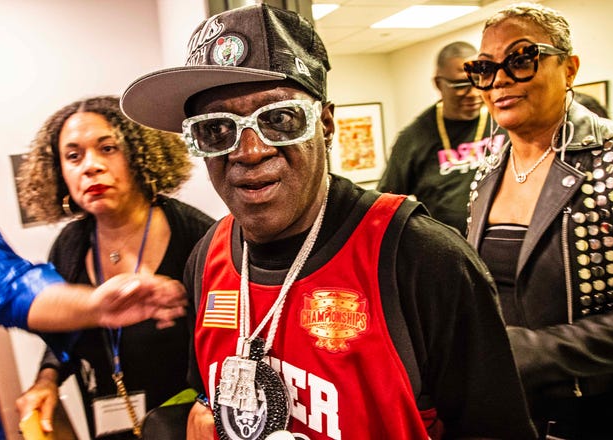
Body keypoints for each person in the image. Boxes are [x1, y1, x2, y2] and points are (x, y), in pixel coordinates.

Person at [121, 4, 536, 440]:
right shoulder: (208, 257)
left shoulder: (422, 260)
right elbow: (204, 392)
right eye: (216, 130)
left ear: (326, 125)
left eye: (279, 119)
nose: (248, 151)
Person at [463, 3, 613, 439]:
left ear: (570, 68)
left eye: (521, 59)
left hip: (594, 415)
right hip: (505, 410)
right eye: (484, 67)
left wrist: (530, 351)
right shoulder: (488, 167)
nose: (499, 79)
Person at [16, 96, 214, 439]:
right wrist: (45, 380)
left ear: (139, 154)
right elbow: (63, 335)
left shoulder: (198, 238)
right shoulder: (70, 245)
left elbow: (227, 346)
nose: (89, 166)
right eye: (73, 156)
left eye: (107, 148)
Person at [0, 229, 187, 440]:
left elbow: (10, 287)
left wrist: (94, 306)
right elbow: (63, 336)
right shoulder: (71, 243)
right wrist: (48, 376)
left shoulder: (187, 229)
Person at [377, 41, 506, 236]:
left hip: (500, 242)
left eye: (478, 81)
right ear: (439, 84)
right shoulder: (413, 138)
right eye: (460, 85)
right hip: (449, 251)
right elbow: (385, 205)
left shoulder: (504, 121)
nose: (473, 93)